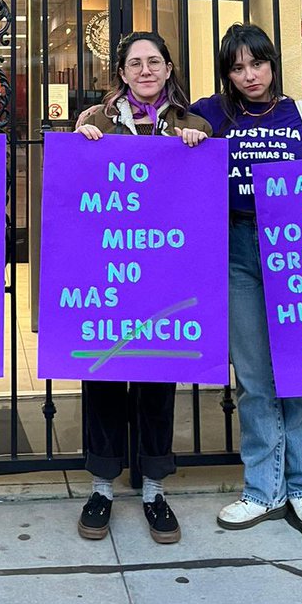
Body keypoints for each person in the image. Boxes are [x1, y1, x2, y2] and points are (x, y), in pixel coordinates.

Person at [191, 22, 302, 535]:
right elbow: (163, 147)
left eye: (256, 64)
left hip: (298, 251)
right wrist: (187, 134)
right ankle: (263, 491)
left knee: (300, 376)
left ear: (272, 63)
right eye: (236, 67)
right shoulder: (212, 112)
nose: (248, 75)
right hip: (237, 247)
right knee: (257, 380)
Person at [75, 30, 211, 545]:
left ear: (170, 68)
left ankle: (153, 487)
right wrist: (82, 145)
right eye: (135, 63)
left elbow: (202, 204)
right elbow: (75, 196)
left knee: (157, 374)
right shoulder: (96, 121)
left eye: (154, 61)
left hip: (166, 276)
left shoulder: (193, 125)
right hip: (107, 272)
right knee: (104, 373)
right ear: (122, 72)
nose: (146, 70)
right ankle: (102, 486)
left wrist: (197, 151)